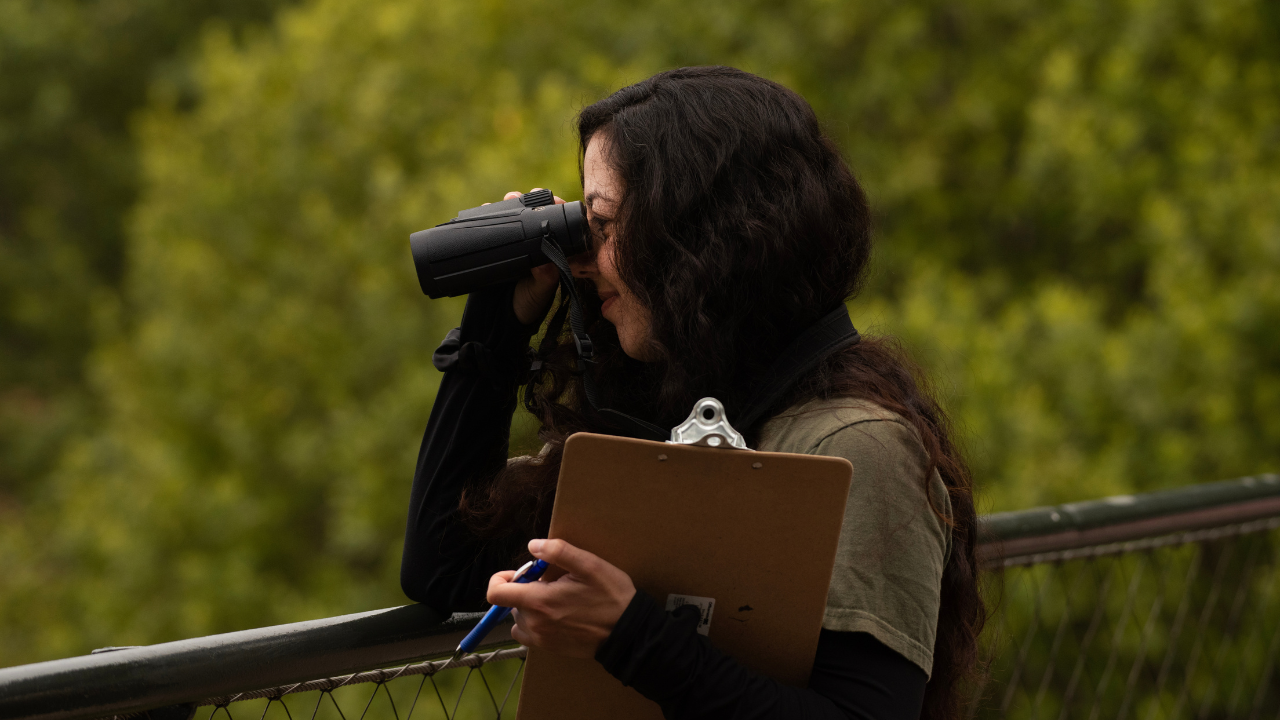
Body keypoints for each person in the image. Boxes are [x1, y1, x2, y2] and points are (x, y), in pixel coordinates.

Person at [401, 66, 984, 720]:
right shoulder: (675, 421)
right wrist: (497, 324)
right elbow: (446, 563)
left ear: (694, 235)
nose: (587, 261)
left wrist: (629, 636)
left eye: (603, 224)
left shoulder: (852, 446)